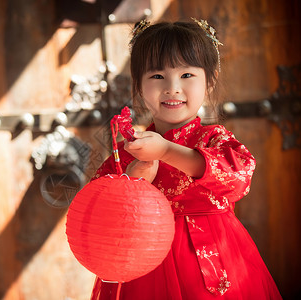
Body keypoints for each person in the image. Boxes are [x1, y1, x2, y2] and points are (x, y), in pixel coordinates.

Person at [90, 18, 282, 299]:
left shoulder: (214, 139)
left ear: (210, 80)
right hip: (144, 266)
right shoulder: (129, 151)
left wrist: (167, 151)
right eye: (157, 76)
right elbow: (96, 210)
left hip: (211, 265)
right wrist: (130, 181)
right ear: (139, 86)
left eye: (186, 75)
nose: (172, 88)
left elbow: (238, 178)